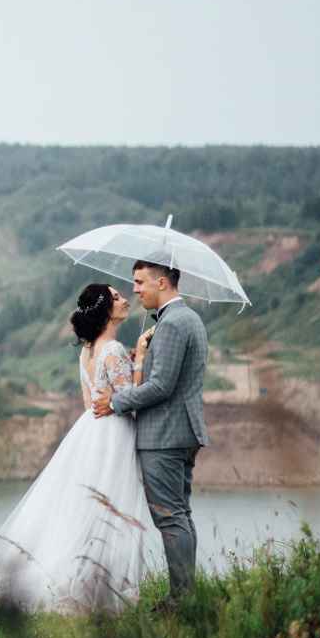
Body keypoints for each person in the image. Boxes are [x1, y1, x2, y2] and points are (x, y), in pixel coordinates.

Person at [0, 282, 150, 613]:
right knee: (108, 509)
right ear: (105, 310)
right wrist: (140, 356)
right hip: (113, 434)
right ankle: (98, 588)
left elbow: (89, 402)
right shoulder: (113, 349)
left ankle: (87, 585)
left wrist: (128, 362)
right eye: (116, 297)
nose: (125, 299)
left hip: (90, 431)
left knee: (87, 510)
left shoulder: (89, 350)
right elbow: (131, 399)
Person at [90, 259, 208, 605]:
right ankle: (186, 596)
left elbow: (160, 387)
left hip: (164, 434)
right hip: (181, 430)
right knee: (180, 514)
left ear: (162, 282)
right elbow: (169, 374)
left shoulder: (171, 324)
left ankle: (180, 601)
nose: (135, 289)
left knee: (170, 518)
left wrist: (115, 401)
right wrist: (144, 355)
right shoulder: (187, 318)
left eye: (140, 282)